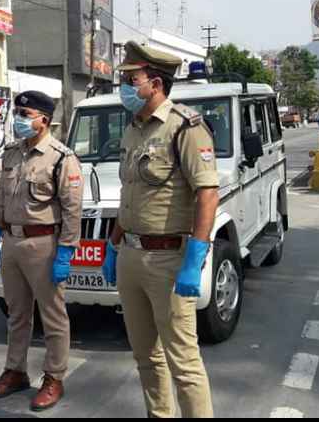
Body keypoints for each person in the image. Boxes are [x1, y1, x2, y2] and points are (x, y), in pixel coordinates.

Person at [101, 40, 218, 417]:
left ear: (155, 82)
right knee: (146, 358)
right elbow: (130, 194)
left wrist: (195, 258)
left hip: (169, 258)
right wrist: (113, 244)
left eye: (130, 79)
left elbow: (208, 193)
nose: (124, 87)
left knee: (183, 362)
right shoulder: (133, 129)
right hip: (131, 256)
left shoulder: (184, 127)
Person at [0, 91, 83, 411]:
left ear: (44, 120)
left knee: (52, 316)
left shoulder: (61, 157)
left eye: (25, 114)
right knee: (17, 313)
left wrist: (66, 251)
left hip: (44, 245)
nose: (19, 120)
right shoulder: (12, 153)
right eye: (17, 113)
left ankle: (54, 377)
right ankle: (15, 372)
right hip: (11, 242)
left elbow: (72, 209)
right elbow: (1, 195)